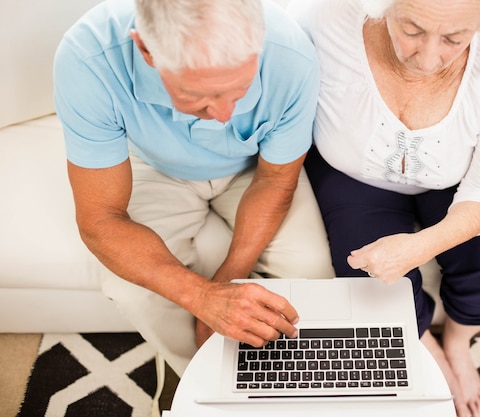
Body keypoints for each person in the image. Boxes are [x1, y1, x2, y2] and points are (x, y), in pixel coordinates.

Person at [53, 0, 334, 377]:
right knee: (135, 292)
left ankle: (283, 386)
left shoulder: (292, 56)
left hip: (256, 170)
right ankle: (198, 381)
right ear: (146, 50)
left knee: (310, 268)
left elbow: (275, 179)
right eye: (197, 98)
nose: (222, 115)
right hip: (152, 166)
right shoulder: (86, 58)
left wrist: (227, 281)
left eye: (239, 90)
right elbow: (100, 219)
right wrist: (201, 298)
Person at [287, 0, 480, 415]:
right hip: (354, 176)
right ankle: (426, 346)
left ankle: (458, 341)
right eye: (412, 30)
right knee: (362, 273)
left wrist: (417, 248)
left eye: (453, 39)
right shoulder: (327, 18)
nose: (427, 59)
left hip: (461, 176)